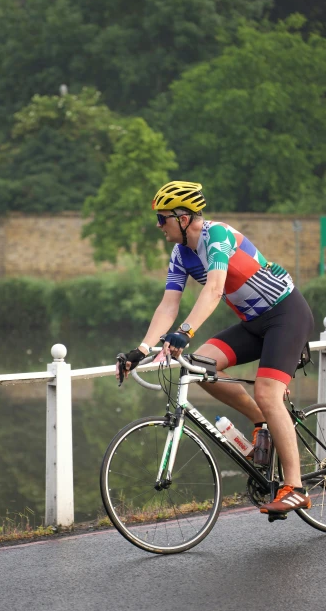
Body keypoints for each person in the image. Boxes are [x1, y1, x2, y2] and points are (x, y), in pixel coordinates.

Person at [118, 180, 315, 516]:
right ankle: (260, 422)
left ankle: (295, 487)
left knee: (268, 393)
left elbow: (214, 289)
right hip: (253, 323)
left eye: (162, 218)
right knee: (203, 364)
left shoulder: (218, 236)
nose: (158, 225)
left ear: (183, 217)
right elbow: (169, 304)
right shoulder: (180, 254)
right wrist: (141, 348)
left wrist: (185, 331)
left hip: (286, 315)